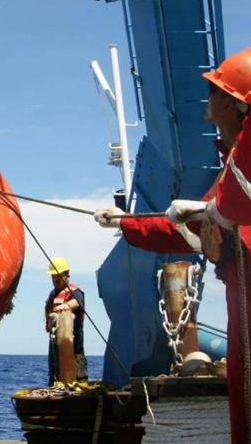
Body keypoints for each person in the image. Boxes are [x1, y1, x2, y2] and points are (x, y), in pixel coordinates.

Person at [94, 47, 251, 444]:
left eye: (214, 90)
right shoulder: (232, 164)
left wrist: (212, 218)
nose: (207, 98)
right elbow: (194, 229)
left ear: (233, 104)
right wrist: (128, 224)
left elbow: (225, 213)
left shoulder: (242, 161)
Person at [44, 256, 88, 386]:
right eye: (53, 276)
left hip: (74, 350)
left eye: (58, 276)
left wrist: (66, 306)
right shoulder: (52, 296)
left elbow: (77, 302)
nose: (55, 279)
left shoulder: (75, 292)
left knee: (78, 383)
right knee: (55, 383)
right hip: (54, 352)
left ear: (67, 276)